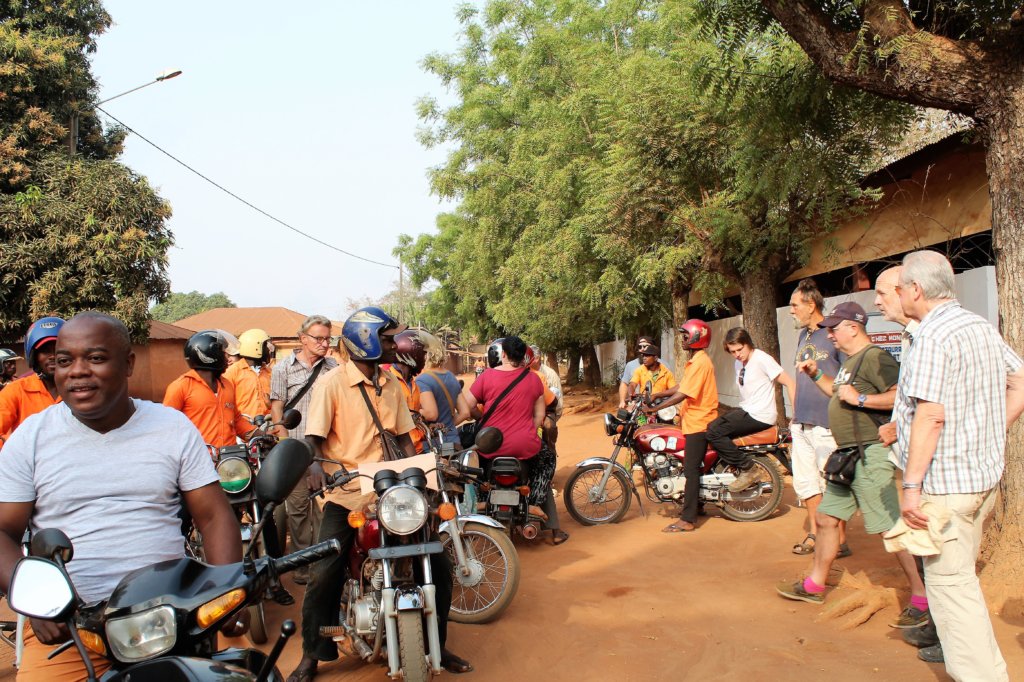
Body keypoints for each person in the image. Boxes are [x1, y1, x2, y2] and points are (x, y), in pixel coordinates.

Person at [0, 312, 244, 681]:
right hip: (73, 627)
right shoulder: (30, 439)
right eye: (65, 361)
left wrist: (227, 588)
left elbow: (212, 515)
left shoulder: (171, 427)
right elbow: (3, 531)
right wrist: (35, 598)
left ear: (128, 364)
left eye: (95, 358)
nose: (77, 371)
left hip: (170, 616)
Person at [287, 306, 471, 682]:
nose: (393, 345)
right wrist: (315, 468)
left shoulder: (391, 385)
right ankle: (311, 653)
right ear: (366, 341)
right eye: (387, 340)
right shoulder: (332, 384)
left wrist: (426, 475)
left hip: (394, 489)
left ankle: (439, 640)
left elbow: (404, 439)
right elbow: (312, 439)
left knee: (437, 561)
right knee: (324, 574)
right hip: (351, 492)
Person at [894, 250, 1024, 679]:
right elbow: (1019, 379)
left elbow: (929, 415)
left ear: (915, 289)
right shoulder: (977, 325)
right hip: (981, 481)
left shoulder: (932, 335)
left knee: (951, 589)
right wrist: (990, 426)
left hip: (947, 487)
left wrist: (911, 486)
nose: (896, 295)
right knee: (961, 583)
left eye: (899, 288)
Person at [775, 302, 928, 630]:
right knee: (827, 518)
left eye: (834, 328)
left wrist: (860, 400)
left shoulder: (875, 358)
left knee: (890, 525)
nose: (829, 333)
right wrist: (817, 375)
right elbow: (837, 391)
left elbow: (900, 396)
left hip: (869, 453)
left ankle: (921, 597)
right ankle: (815, 585)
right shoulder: (851, 362)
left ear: (854, 328)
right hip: (847, 456)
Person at [467, 336, 569, 546]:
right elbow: (539, 415)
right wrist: (527, 432)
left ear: (502, 354)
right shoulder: (533, 379)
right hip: (524, 445)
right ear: (523, 356)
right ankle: (534, 503)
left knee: (470, 464)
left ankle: (478, 501)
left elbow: (468, 406)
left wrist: (482, 420)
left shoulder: (486, 376)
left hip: (490, 445)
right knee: (547, 459)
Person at [268, 315, 338, 587]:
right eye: (318, 338)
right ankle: (301, 565)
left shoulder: (333, 367)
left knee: (324, 508)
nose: (324, 344)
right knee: (298, 510)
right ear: (303, 339)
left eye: (327, 338)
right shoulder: (283, 369)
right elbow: (277, 410)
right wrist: (285, 447)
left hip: (324, 450)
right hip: (295, 449)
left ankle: (322, 564)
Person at [788, 278, 848, 556]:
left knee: (832, 481)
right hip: (801, 422)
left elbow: (847, 377)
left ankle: (840, 539)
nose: (791, 310)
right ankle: (815, 533)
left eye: (794, 305)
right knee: (806, 482)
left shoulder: (834, 333)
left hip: (828, 422)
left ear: (811, 305)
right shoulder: (804, 336)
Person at [706, 328, 796, 493]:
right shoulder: (737, 363)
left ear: (748, 343)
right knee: (712, 427)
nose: (737, 354)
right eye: (733, 351)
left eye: (740, 349)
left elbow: (790, 383)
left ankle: (749, 469)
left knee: (713, 431)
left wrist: (796, 415)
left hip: (760, 414)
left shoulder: (762, 359)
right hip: (748, 409)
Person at [658, 320, 718, 533]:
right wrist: (657, 395)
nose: (682, 339)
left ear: (695, 336)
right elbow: (682, 386)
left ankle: (688, 519)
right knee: (693, 467)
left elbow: (683, 394)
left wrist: (655, 409)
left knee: (691, 470)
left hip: (699, 422)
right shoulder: (696, 361)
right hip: (693, 420)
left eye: (685, 336)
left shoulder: (701, 362)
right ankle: (699, 504)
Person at [163, 330, 253, 449]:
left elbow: (236, 420)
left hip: (231, 461)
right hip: (198, 461)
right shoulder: (180, 386)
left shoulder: (227, 385)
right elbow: (167, 428)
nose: (228, 357)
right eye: (223, 352)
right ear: (209, 355)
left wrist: (259, 435)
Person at [0, 317, 64, 450]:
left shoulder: (82, 390)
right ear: (34, 357)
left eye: (58, 350)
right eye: (45, 351)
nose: (52, 356)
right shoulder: (17, 390)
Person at [416, 334, 470, 447]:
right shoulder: (451, 376)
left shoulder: (422, 380)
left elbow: (431, 414)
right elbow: (465, 412)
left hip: (433, 443)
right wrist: (448, 426)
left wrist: (411, 413)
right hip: (453, 440)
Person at [386, 329, 429, 453]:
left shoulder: (414, 383)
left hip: (418, 448)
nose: (424, 359)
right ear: (410, 353)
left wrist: (426, 425)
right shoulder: (388, 381)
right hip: (401, 451)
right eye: (422, 354)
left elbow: (416, 414)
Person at [225, 328, 274, 419]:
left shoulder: (270, 373)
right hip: (242, 429)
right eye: (265, 346)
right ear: (255, 348)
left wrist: (271, 406)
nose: (269, 350)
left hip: (268, 427)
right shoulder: (232, 373)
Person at [530, 345, 563, 452]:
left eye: (528, 357)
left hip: (548, 411)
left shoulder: (550, 375)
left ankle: (551, 454)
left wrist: (553, 417)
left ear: (536, 358)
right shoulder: (524, 371)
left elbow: (557, 401)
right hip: (528, 410)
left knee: (549, 427)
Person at [618, 336, 656, 408]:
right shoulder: (631, 365)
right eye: (640, 347)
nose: (642, 349)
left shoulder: (663, 365)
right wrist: (622, 401)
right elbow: (625, 384)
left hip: (659, 405)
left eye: (645, 346)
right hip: (637, 405)